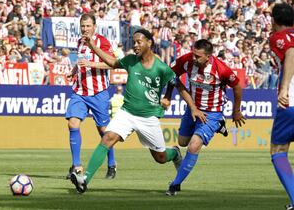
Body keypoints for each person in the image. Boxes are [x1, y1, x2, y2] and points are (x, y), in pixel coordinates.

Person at [70, 28, 207, 194]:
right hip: (127, 113)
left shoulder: (161, 68)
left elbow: (178, 85)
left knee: (160, 158)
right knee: (107, 138)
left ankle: (175, 153)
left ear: (149, 43)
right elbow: (112, 62)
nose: (135, 45)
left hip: (148, 118)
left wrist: (190, 106)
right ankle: (85, 180)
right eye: (133, 42)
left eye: (138, 41)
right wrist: (92, 46)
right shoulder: (130, 61)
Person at [162, 39, 246, 196]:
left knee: (194, 146)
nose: (193, 58)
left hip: (212, 112)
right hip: (192, 108)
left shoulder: (221, 69)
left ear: (208, 56)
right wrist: (167, 95)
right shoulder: (186, 60)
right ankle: (177, 154)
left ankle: (174, 185)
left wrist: (236, 111)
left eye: (197, 56)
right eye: (193, 54)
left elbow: (237, 86)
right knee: (183, 142)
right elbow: (171, 75)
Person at [65, 13, 117, 180]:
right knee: (73, 123)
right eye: (83, 26)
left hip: (98, 92)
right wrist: (73, 71)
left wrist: (91, 64)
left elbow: (111, 63)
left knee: (103, 131)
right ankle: (76, 166)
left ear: (94, 26)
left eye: (88, 26)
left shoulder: (102, 41)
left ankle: (112, 164)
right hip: (80, 91)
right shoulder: (80, 42)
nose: (85, 29)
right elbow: (81, 60)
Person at [269, 3, 294, 210]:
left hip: (291, 102)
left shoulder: (279, 38)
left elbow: (291, 53)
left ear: (273, 20)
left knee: (278, 149)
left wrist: (284, 88)